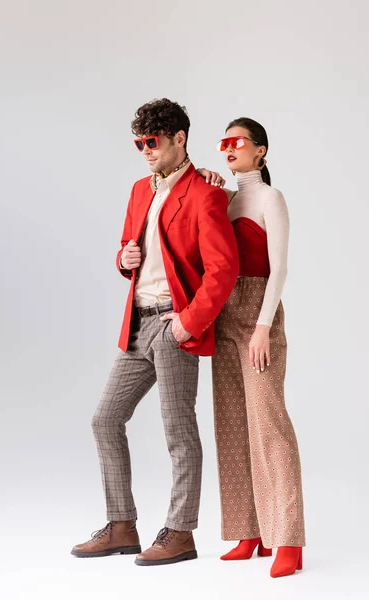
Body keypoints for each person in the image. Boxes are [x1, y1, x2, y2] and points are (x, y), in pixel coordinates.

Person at [71, 99, 239, 566]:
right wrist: (123, 259)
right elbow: (130, 246)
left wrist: (187, 323)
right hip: (138, 322)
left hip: (174, 325)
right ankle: (122, 525)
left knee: (178, 432)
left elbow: (223, 270)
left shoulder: (205, 194)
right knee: (105, 419)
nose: (145, 151)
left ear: (179, 139)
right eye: (139, 143)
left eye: (153, 142)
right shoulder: (138, 191)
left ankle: (181, 532)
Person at [199, 118, 306, 578]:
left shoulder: (269, 198)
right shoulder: (223, 199)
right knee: (231, 422)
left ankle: (287, 539)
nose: (228, 149)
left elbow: (279, 269)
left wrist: (263, 327)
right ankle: (249, 531)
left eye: (236, 142)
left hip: (257, 313)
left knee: (269, 423)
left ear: (260, 150)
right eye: (223, 142)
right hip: (223, 315)